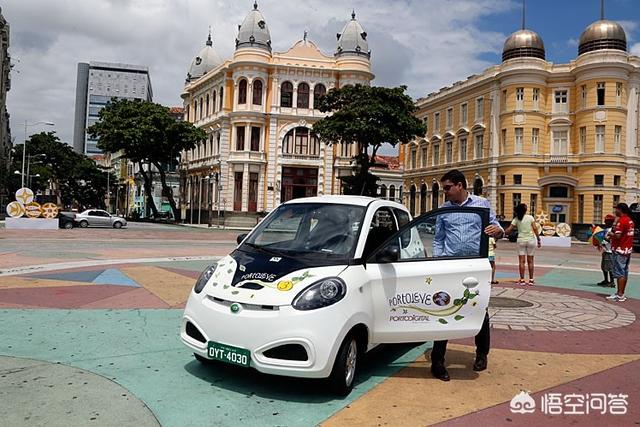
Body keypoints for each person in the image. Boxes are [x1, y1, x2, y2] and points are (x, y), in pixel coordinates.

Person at [430, 169, 504, 382]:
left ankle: (481, 354)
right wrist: (438, 263)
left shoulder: (482, 204)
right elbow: (438, 238)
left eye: (447, 188)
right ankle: (437, 361)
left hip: (476, 265)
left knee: (480, 308)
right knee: (443, 308)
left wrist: (497, 231)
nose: (445, 192)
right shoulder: (444, 209)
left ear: (460, 186)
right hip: (451, 265)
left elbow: (496, 227)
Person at [503, 203, 541, 285]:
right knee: (530, 261)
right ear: (525, 210)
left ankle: (522, 280)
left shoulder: (516, 219)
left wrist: (502, 232)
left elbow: (509, 230)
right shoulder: (530, 217)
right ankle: (531, 280)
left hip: (521, 241)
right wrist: (538, 239)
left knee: (521, 261)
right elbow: (535, 228)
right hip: (531, 240)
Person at [606, 203, 635, 302]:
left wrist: (610, 234)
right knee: (624, 272)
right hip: (627, 249)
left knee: (619, 273)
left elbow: (618, 236)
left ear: (620, 210)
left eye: (616, 209)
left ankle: (620, 294)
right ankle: (621, 293)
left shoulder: (621, 221)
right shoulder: (630, 220)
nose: (615, 211)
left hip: (620, 250)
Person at [597, 214, 616, 288]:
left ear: (610, 222)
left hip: (610, 251)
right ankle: (606, 280)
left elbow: (611, 240)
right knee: (604, 267)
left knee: (610, 268)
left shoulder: (612, 230)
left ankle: (612, 282)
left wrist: (603, 239)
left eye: (606, 221)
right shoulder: (605, 230)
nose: (604, 222)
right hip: (605, 250)